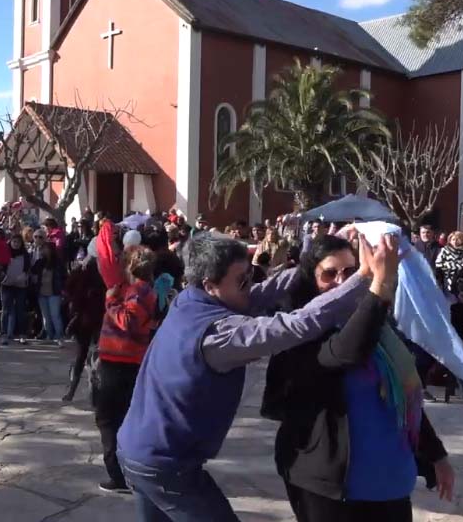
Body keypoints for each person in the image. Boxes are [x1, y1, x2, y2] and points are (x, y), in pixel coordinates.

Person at [116, 232, 393, 520]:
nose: (251, 286)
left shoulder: (188, 300)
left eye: (250, 275)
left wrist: (314, 259)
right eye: (242, 281)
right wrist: (363, 278)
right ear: (210, 285)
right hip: (165, 465)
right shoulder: (218, 337)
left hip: (137, 450)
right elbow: (296, 325)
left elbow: (261, 293)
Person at [262, 235, 453, 522]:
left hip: (390, 484)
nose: (342, 282)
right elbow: (347, 350)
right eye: (329, 274)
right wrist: (380, 287)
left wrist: (436, 455)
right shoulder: (298, 332)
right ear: (311, 280)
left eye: (351, 272)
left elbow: (402, 398)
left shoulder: (380, 332)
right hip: (328, 486)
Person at [94, 219, 159, 494]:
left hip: (122, 366)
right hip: (116, 364)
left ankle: (120, 476)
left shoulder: (140, 291)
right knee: (115, 419)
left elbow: (129, 322)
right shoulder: (129, 289)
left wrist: (110, 301)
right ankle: (124, 471)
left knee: (111, 420)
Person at [62, 252, 106, 401]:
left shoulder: (80, 272)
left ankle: (72, 391)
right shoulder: (103, 271)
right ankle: (95, 390)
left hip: (83, 318)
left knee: (80, 356)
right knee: (97, 355)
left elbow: (68, 291)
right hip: (98, 318)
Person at [30, 242, 67, 346]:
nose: (44, 251)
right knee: (45, 316)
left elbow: (64, 277)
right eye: (43, 249)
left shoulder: (58, 263)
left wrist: (63, 290)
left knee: (55, 315)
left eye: (46, 249)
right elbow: (32, 271)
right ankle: (49, 335)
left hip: (54, 292)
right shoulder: (40, 262)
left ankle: (59, 336)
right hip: (42, 292)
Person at [0, 234, 31, 346]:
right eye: (14, 242)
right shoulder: (5, 253)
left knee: (20, 310)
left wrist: (24, 276)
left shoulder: (25, 255)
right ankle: (4, 335)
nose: (16, 244)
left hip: (20, 285)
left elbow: (28, 269)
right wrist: (4, 277)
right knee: (6, 310)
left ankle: (22, 334)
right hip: (7, 285)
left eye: (18, 242)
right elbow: (1, 268)